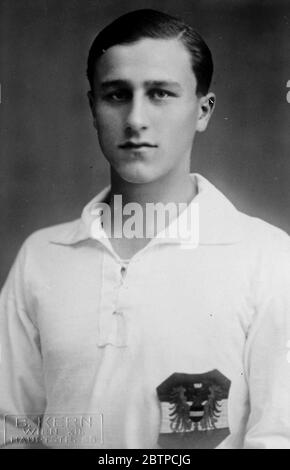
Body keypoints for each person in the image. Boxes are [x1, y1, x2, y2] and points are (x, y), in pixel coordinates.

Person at [0, 9, 290, 449]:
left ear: (203, 111)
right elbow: (14, 429)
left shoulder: (267, 257)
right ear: (93, 108)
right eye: (116, 95)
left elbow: (278, 436)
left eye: (160, 93)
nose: (136, 119)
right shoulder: (42, 256)